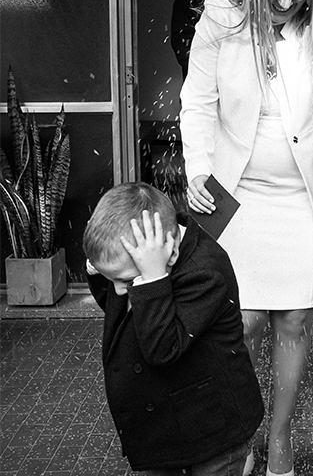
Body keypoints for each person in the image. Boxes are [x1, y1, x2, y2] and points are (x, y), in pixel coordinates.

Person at [180, 0, 313, 476]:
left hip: (302, 196)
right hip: (238, 195)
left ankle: (278, 437)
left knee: (294, 319)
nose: (285, 2)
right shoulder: (220, 18)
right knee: (242, 321)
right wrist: (197, 169)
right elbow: (197, 101)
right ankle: (235, 437)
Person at [83, 182, 264, 476]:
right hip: (167, 427)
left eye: (126, 280)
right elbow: (122, 313)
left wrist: (153, 280)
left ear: (169, 253)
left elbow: (163, 348)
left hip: (213, 431)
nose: (117, 291)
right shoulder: (136, 266)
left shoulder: (205, 273)